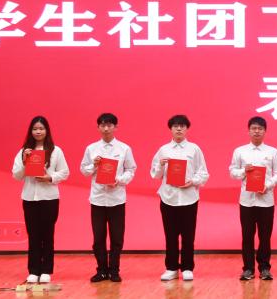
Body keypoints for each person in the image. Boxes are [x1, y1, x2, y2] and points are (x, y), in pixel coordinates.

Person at [11, 116, 70, 284]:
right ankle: (33, 270)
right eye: (35, 129)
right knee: (33, 235)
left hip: (49, 198)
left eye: (41, 128)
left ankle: (46, 270)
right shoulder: (24, 151)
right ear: (31, 131)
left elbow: (65, 172)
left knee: (47, 235)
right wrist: (24, 162)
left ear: (47, 131)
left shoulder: (56, 151)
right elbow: (16, 175)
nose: (38, 131)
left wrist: (49, 177)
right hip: (30, 198)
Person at [150, 114, 209, 282]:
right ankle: (171, 268)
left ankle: (187, 268)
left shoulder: (194, 149)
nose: (179, 129)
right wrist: (160, 165)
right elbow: (155, 174)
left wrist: (193, 181)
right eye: (175, 126)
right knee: (170, 235)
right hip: (168, 197)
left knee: (188, 236)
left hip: (189, 198)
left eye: (182, 126)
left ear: (187, 129)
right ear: (170, 129)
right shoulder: (163, 150)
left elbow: (203, 173)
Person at [79, 113, 137, 283]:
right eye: (102, 125)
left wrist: (119, 181)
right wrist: (94, 165)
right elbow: (84, 170)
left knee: (117, 238)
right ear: (98, 127)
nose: (106, 128)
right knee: (98, 238)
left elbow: (131, 170)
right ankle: (101, 270)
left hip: (116, 198)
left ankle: (114, 270)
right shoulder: (91, 148)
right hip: (97, 199)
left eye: (109, 125)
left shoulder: (124, 148)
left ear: (115, 127)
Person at [229, 116, 277, 281]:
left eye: (260, 129)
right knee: (247, 236)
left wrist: (267, 185)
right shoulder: (240, 151)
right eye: (254, 128)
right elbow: (232, 172)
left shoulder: (273, 152)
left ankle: (265, 268)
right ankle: (248, 269)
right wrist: (243, 171)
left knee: (265, 237)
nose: (257, 131)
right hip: (246, 201)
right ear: (249, 131)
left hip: (266, 200)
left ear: (265, 131)